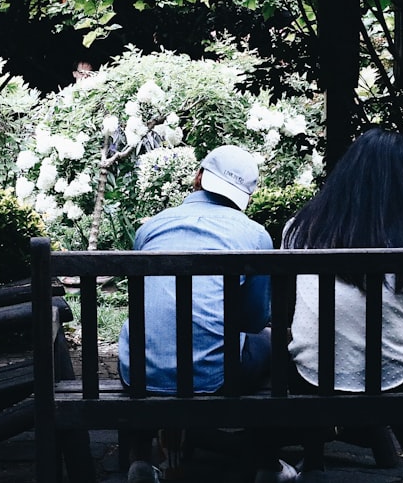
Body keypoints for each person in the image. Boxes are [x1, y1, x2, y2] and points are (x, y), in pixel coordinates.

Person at [282, 128, 403, 483]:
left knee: (315, 342)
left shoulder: (299, 229)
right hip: (390, 375)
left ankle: (315, 461)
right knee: (396, 351)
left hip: (310, 372)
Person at [118, 144, 297, 483]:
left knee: (162, 334)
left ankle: (141, 459)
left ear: (198, 177)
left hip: (140, 371)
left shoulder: (150, 229)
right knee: (276, 342)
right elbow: (256, 318)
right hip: (215, 375)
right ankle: (267, 462)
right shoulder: (254, 235)